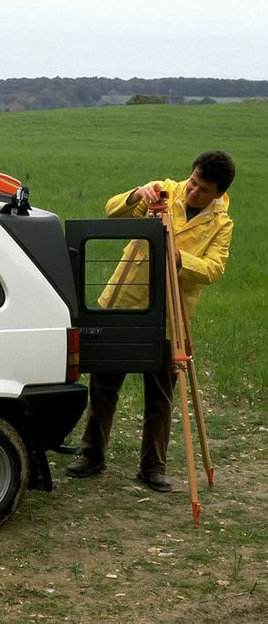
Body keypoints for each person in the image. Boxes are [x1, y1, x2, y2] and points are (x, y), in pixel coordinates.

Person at [66, 150, 235, 492]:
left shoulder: (221, 224)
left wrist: (179, 258)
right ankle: (91, 453)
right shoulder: (164, 192)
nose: (192, 191)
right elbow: (112, 211)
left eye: (203, 189)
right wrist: (135, 195)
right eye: (192, 182)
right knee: (104, 385)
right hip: (121, 302)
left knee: (160, 396)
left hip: (170, 316)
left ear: (218, 194)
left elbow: (214, 269)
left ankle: (152, 466)